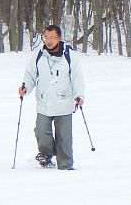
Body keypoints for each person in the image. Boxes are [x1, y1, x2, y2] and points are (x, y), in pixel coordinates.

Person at [18, 24, 85, 170]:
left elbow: (77, 78)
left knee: (64, 138)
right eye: (46, 37)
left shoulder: (70, 56)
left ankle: (65, 165)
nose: (49, 41)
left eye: (52, 38)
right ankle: (46, 155)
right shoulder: (38, 55)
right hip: (44, 103)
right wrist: (25, 87)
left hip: (64, 102)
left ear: (59, 38)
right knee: (41, 132)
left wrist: (79, 96)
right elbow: (30, 75)